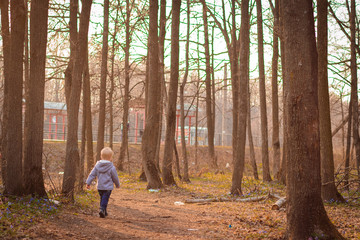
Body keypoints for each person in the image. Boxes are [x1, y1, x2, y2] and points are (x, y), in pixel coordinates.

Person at [86, 147, 120, 218]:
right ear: (110, 157)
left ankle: (104, 211)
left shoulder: (97, 166)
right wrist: (117, 184)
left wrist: (88, 183)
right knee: (105, 199)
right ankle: (102, 209)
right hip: (108, 187)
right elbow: (115, 177)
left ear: (101, 156)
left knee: (103, 198)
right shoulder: (111, 167)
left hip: (100, 187)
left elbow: (92, 174)